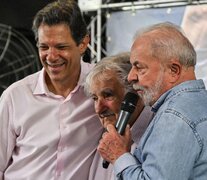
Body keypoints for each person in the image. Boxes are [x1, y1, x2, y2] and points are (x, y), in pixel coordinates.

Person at [0, 1, 103, 179]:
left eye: (61, 47)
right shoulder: (14, 96)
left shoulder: (103, 88)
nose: (51, 57)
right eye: (44, 47)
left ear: (83, 43)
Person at [98, 22, 207, 179]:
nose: (130, 77)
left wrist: (119, 155)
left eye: (139, 67)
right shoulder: (198, 104)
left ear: (173, 70)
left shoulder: (174, 116)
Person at [84, 52, 153, 180]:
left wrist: (120, 157)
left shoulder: (159, 135)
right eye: (95, 98)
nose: (99, 109)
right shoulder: (106, 141)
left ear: (135, 95)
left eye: (108, 95)